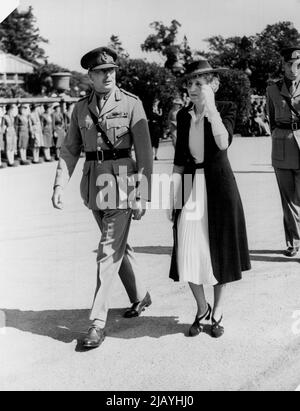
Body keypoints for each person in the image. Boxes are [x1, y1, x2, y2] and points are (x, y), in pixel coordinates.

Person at [52, 47, 153, 350]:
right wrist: (58, 184)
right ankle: (140, 296)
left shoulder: (132, 104)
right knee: (118, 248)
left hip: (121, 185)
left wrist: (142, 196)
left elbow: (145, 153)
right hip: (93, 186)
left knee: (107, 251)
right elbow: (70, 149)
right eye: (101, 71)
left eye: (111, 70)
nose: (108, 75)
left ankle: (97, 323)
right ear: (91, 76)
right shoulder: (81, 108)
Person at [168, 59, 251, 338]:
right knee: (187, 250)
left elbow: (223, 141)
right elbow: (179, 160)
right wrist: (171, 197)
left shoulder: (226, 109)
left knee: (220, 251)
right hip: (191, 186)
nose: (193, 88)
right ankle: (201, 307)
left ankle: (217, 311)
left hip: (220, 188)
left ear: (214, 85)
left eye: (199, 83)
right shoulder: (183, 116)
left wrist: (211, 108)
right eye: (189, 83)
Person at [267, 45, 300, 257]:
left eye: (297, 63)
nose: (293, 68)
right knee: (288, 199)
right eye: (289, 63)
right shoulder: (272, 89)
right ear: (283, 64)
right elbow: (271, 118)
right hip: (282, 147)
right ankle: (294, 243)